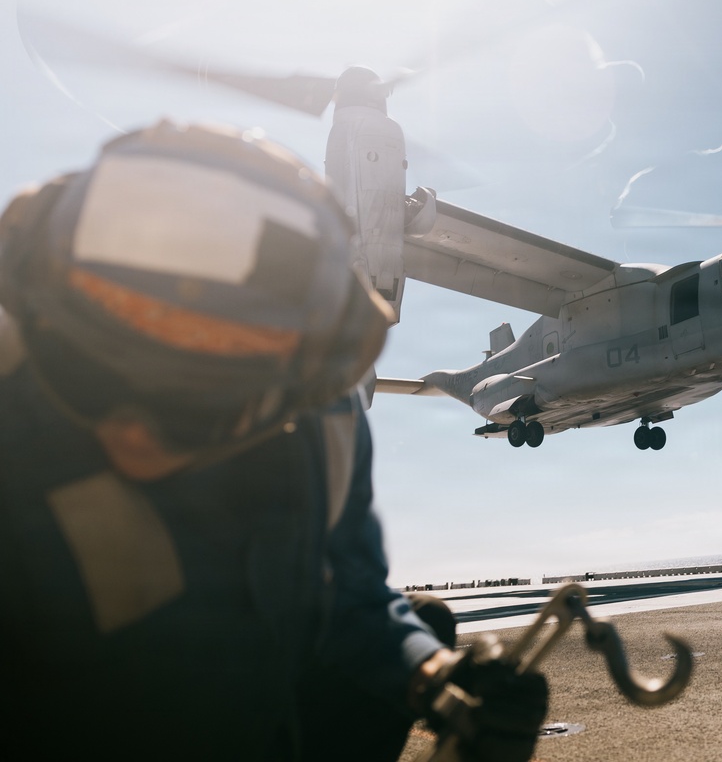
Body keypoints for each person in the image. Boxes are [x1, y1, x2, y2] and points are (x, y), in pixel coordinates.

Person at [0, 119, 546, 760]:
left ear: (286, 389)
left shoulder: (327, 420)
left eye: (193, 410)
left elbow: (352, 591)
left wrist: (435, 678)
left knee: (426, 622)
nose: (133, 434)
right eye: (89, 380)